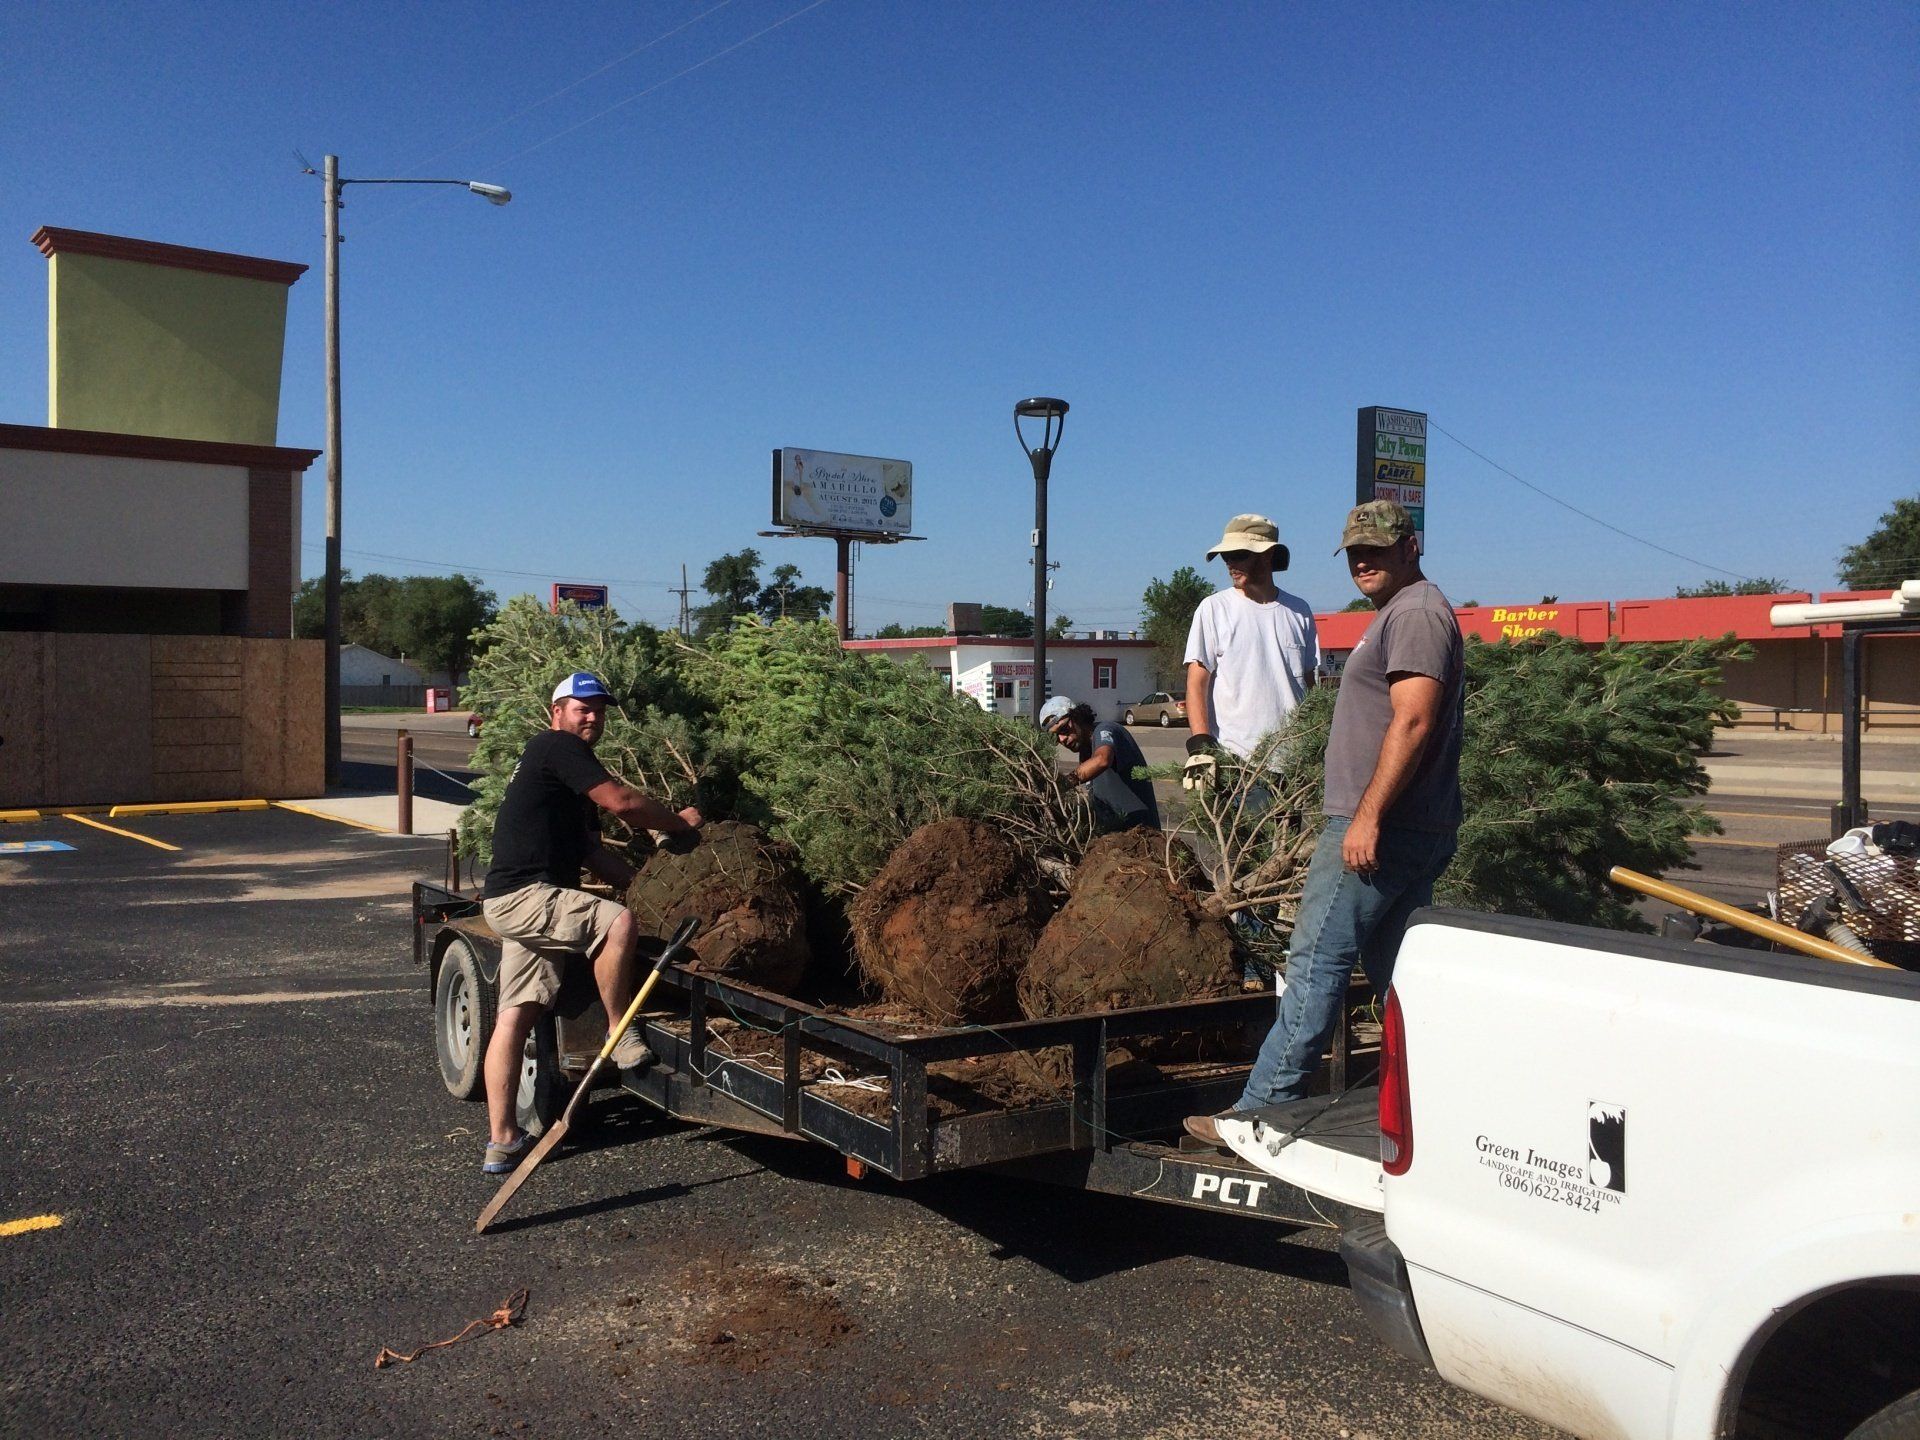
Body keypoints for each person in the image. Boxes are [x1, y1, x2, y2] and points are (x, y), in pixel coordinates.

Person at [1186, 499, 1463, 1144]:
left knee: (1315, 966)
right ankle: (1430, 1099)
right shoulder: (1401, 613)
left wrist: (1366, 818)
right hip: (1395, 823)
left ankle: (1257, 1119)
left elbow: (1414, 719)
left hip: (1377, 829)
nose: (1363, 560)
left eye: (1378, 548)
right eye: (1354, 552)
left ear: (1411, 545)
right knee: (1395, 973)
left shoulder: (1416, 614)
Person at [478, 672, 703, 1174]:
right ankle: (618, 1033)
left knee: (516, 1015)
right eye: (582, 707)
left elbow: (592, 854)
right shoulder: (554, 746)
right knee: (617, 923)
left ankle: (502, 1140)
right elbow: (623, 803)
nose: (593, 716)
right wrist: (678, 824)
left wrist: (649, 884)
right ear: (556, 710)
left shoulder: (569, 776)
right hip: (525, 895)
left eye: (599, 709)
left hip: (522, 900)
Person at [1181, 512, 1319, 784]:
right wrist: (1201, 748)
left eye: (1239, 554)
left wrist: (1315, 745)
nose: (1230, 563)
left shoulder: (1300, 611)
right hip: (1234, 762)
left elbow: (1310, 684)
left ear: (1267, 555)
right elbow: (1197, 683)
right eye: (1226, 556)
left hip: (1293, 764)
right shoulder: (1214, 608)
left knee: (1289, 829)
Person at [1039, 694, 1159, 832]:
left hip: (1142, 835)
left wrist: (1062, 785)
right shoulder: (1086, 752)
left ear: (1077, 717)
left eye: (1064, 729)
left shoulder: (1105, 729)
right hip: (1115, 839)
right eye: (1056, 738)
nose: (1062, 739)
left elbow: (1102, 759)